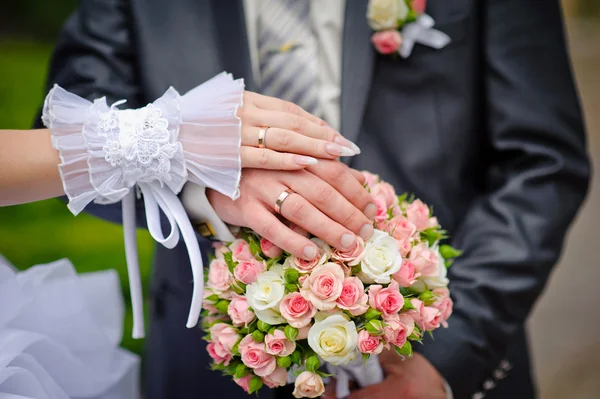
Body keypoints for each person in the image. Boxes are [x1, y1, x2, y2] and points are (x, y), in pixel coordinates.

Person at [37, 1, 591, 399]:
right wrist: (190, 182)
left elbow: (541, 163)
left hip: (435, 354)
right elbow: (70, 138)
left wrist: (447, 362)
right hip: (205, 362)